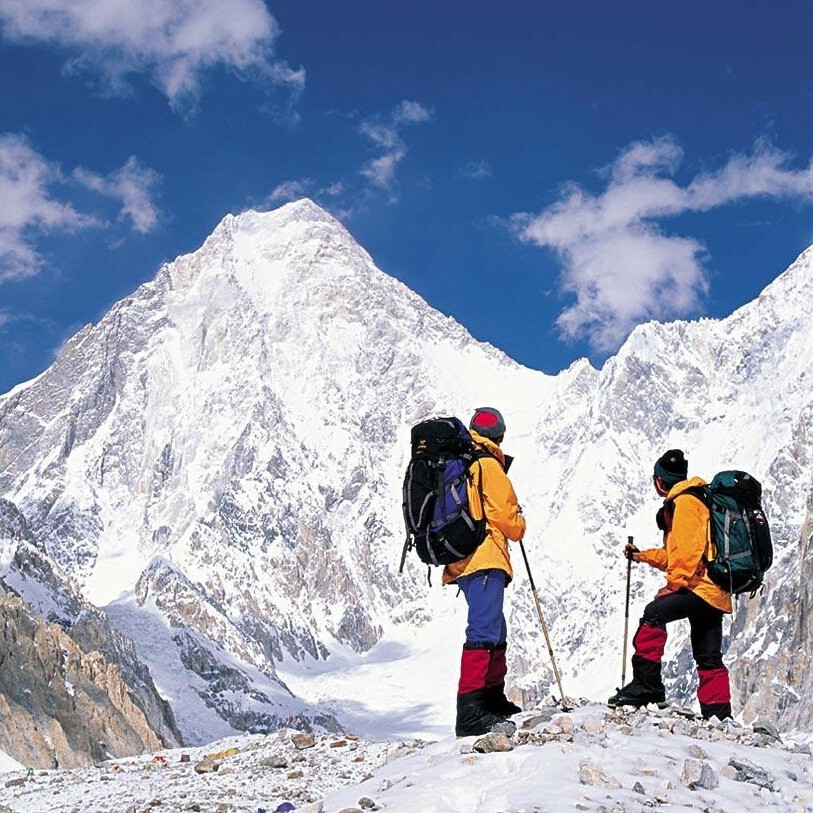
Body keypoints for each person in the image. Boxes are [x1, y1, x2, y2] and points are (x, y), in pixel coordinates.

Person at [608, 449, 732, 719]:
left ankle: (647, 686)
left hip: (700, 587)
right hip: (715, 591)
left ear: (659, 481)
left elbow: (688, 552)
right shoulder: (697, 499)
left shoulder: (685, 503)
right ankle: (719, 715)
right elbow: (677, 555)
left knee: (654, 614)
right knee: (708, 655)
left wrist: (674, 585)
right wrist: (642, 556)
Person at [444, 407, 527, 737]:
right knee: (483, 630)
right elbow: (510, 524)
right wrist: (519, 520)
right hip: (486, 557)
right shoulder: (489, 466)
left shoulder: (464, 463)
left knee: (495, 627)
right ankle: (470, 712)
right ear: (500, 437)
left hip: (464, 559)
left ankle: (492, 699)